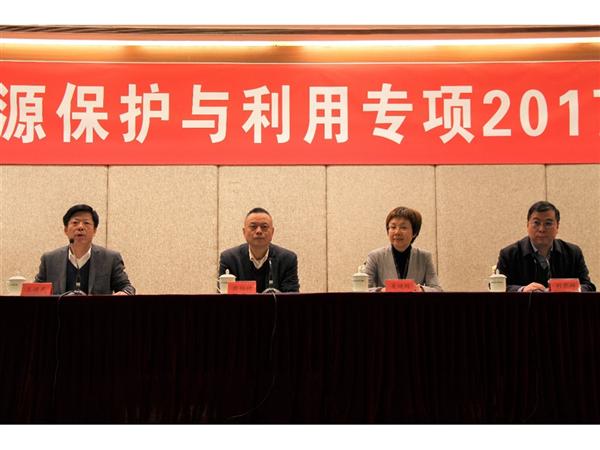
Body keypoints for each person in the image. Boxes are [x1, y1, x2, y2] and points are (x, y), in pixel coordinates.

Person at [35, 204, 135, 295]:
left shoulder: (110, 259)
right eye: (75, 222)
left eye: (86, 223)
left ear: (94, 230)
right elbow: (35, 292)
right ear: (65, 230)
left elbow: (128, 288)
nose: (80, 227)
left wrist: (124, 293)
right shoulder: (50, 260)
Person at [496, 200, 595, 292]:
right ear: (527, 225)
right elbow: (498, 287)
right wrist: (522, 290)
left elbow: (588, 286)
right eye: (536, 223)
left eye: (548, 223)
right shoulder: (509, 254)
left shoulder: (572, 253)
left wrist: (561, 289)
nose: (542, 229)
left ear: (557, 226)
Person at [219, 207, 299, 293]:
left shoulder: (287, 259)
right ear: (244, 232)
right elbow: (223, 297)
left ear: (272, 232)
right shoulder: (229, 259)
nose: (259, 231)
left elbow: (292, 297)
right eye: (253, 226)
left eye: (264, 227)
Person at [364, 206, 442, 292]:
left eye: (403, 227)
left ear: (414, 233)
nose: (397, 232)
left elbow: (437, 289)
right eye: (393, 227)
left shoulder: (424, 257)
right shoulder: (375, 256)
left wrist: (421, 289)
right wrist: (382, 290)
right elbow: (363, 289)